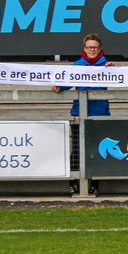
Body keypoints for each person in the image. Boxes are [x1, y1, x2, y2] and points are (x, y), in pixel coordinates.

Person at [53, 34, 113, 195]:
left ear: (99, 49)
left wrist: (113, 71)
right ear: (84, 48)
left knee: (97, 151)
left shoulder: (107, 66)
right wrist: (59, 86)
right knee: (78, 150)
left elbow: (122, 78)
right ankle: (74, 182)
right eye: (89, 47)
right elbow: (66, 83)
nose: (92, 50)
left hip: (100, 115)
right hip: (79, 113)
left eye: (94, 47)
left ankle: (94, 183)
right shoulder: (77, 66)